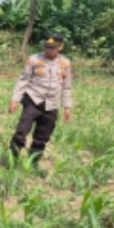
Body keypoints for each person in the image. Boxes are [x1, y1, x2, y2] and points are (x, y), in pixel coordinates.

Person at [8, 34, 72, 171]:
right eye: (47, 47)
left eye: (52, 48)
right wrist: (15, 99)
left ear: (60, 47)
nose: (49, 50)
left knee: (42, 138)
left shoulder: (65, 63)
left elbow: (66, 87)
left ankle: (33, 164)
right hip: (33, 100)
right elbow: (23, 80)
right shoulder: (34, 59)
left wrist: (67, 106)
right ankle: (12, 161)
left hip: (51, 105)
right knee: (21, 132)